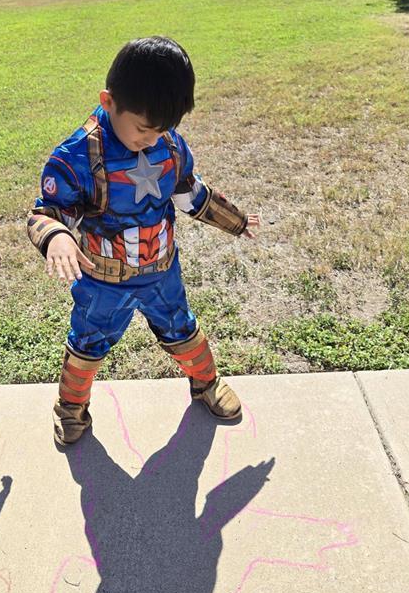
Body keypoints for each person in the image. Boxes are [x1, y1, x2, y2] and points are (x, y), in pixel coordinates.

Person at [27, 36, 260, 445]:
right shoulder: (76, 157)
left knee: (182, 330)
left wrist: (235, 221)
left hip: (160, 273)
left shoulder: (167, 145)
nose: (150, 139)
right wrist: (57, 237)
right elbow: (45, 211)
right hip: (100, 281)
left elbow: (188, 191)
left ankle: (205, 383)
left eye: (163, 130)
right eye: (142, 129)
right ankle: (71, 407)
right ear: (109, 101)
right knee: (87, 345)